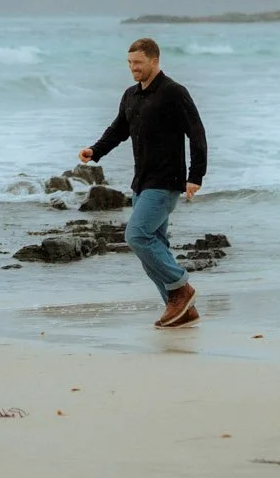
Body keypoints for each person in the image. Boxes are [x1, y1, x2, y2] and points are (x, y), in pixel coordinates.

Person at [79, 36, 208, 328]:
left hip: (166, 181)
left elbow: (196, 133)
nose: (133, 68)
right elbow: (118, 129)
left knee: (136, 236)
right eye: (129, 63)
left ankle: (181, 287)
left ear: (154, 60)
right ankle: (182, 311)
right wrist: (95, 151)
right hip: (141, 181)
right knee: (153, 247)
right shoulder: (131, 95)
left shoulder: (173, 92)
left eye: (138, 62)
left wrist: (195, 175)